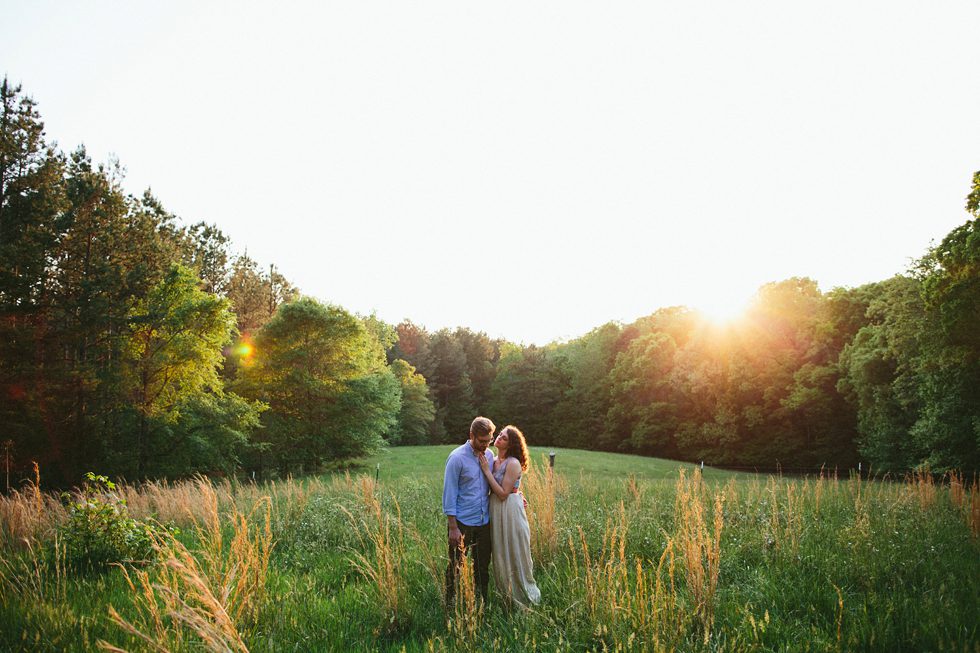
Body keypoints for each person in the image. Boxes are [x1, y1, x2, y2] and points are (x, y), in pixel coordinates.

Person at [477, 424, 541, 608]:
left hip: (509, 509)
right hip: (496, 510)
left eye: (504, 437)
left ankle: (522, 596)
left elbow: (504, 493)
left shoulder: (512, 462)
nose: (498, 437)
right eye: (500, 434)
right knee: (500, 552)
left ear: (510, 444)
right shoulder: (493, 459)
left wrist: (486, 471)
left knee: (514, 550)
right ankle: (506, 594)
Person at [443, 416, 495, 605]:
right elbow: (449, 493)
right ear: (471, 435)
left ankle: (482, 602)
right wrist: (453, 527)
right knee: (456, 565)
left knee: (482, 566)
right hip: (463, 523)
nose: (486, 445)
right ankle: (450, 601)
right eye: (482, 441)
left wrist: (517, 494)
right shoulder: (457, 458)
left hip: (484, 522)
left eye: (489, 441)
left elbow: (498, 481)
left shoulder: (489, 456)